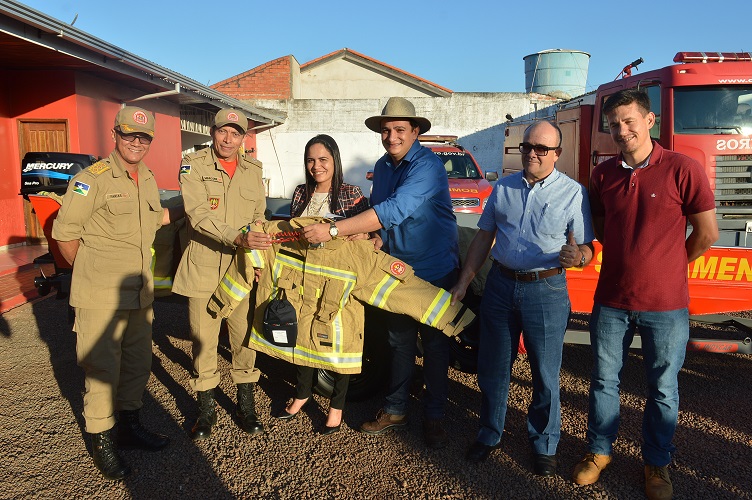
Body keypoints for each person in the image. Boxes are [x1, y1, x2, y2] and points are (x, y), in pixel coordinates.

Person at [572, 89, 718, 499]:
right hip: (612, 300)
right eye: (614, 124)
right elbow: (600, 227)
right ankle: (599, 452)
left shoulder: (682, 169)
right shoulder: (602, 176)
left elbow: (707, 234)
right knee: (603, 382)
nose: (621, 130)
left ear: (649, 121)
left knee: (663, 387)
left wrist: (669, 267)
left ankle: (657, 463)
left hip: (666, 305)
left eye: (629, 121)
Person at [302, 96, 459, 449]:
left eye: (400, 129)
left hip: (434, 269)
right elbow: (382, 215)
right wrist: (374, 234)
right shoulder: (384, 166)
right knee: (398, 342)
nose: (392, 137)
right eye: (386, 130)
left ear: (415, 131)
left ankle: (433, 415)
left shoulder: (428, 167)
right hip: (396, 269)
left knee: (435, 346)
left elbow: (396, 208)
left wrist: (334, 230)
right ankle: (396, 409)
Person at [450, 120, 594, 476]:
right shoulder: (503, 188)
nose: (531, 153)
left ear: (557, 154)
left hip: (546, 290)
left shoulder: (573, 193)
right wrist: (464, 281)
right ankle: (489, 433)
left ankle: (544, 443)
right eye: (527, 146)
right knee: (494, 366)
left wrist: (578, 258)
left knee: (545, 373)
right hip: (500, 285)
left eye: (541, 149)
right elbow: (484, 237)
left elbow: (588, 246)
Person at [52, 106, 182, 480]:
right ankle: (102, 441)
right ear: (115, 135)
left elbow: (154, 219)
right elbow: (65, 234)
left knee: (138, 365)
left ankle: (129, 427)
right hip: (100, 297)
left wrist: (192, 206)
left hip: (138, 295)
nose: (136, 142)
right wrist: (90, 273)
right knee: (102, 370)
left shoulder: (147, 177)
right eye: (129, 135)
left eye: (143, 137)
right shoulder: (91, 180)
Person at [172, 108, 271, 441]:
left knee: (244, 338)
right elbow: (197, 215)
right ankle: (206, 410)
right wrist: (237, 237)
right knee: (204, 342)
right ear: (212, 132)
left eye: (236, 133)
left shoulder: (253, 170)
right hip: (203, 267)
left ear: (243, 138)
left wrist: (257, 259)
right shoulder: (193, 166)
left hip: (240, 270)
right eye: (223, 132)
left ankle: (246, 406)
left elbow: (259, 216)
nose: (228, 139)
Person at [277, 134, 369, 434]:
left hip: (338, 282)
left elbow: (364, 234)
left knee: (339, 342)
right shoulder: (301, 194)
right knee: (302, 336)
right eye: (311, 160)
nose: (317, 166)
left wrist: (362, 236)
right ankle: (302, 394)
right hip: (304, 278)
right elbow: (292, 236)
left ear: (335, 160)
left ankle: (336, 406)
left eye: (323, 159)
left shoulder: (351, 194)